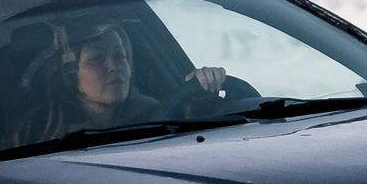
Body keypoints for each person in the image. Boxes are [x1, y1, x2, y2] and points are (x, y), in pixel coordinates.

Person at [35, 19, 230, 136]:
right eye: (97, 59)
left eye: (120, 56)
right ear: (69, 74)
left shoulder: (154, 114)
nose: (113, 67)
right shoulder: (40, 130)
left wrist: (200, 102)